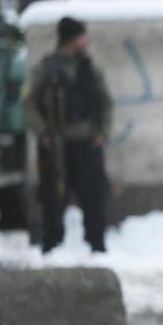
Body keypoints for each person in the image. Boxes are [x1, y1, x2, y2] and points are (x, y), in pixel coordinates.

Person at [23, 17, 112, 253]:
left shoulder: (90, 68)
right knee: (52, 197)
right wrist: (41, 132)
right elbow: (29, 103)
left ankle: (97, 246)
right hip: (54, 144)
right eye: (82, 36)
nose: (87, 41)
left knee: (94, 196)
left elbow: (106, 102)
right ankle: (51, 248)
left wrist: (103, 132)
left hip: (86, 142)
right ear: (71, 39)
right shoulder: (46, 69)